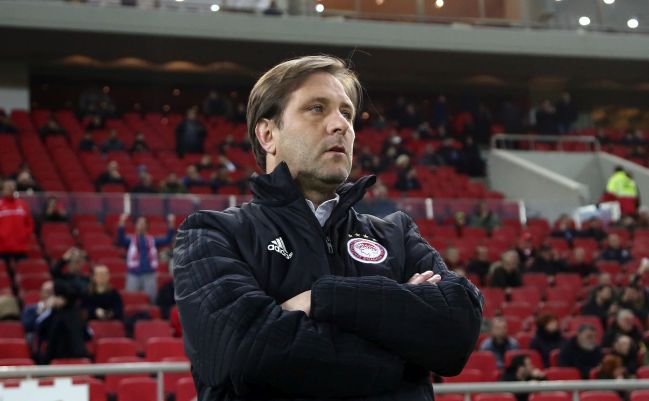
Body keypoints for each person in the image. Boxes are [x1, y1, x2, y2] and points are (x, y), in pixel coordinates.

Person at [172, 55, 483, 401]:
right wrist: (403, 357)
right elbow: (244, 352)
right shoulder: (212, 234)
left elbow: (457, 329)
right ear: (268, 134)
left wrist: (321, 299)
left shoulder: (396, 234)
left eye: (346, 113)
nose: (341, 125)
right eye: (317, 108)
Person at [117, 214, 176, 302]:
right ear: (135, 225)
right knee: (131, 299)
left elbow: (168, 239)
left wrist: (171, 223)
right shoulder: (130, 240)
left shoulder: (152, 240)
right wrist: (121, 222)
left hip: (149, 274)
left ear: (147, 226)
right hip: (133, 274)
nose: (141, 225)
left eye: (143, 223)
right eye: (139, 223)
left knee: (151, 300)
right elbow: (121, 239)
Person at [0, 180, 34, 269]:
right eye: (8, 187)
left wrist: (25, 235)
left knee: (23, 271)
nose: (11, 189)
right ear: (3, 190)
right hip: (2, 247)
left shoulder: (23, 204)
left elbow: (29, 223)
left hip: (20, 247)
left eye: (12, 187)